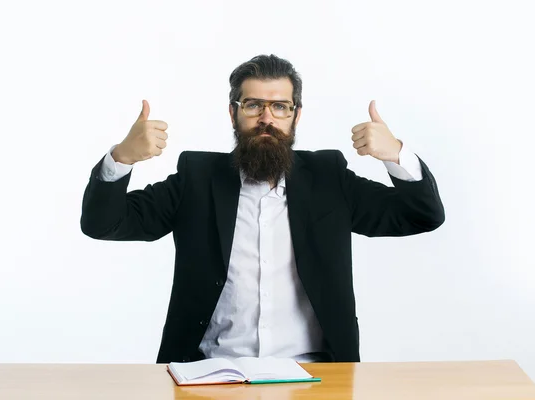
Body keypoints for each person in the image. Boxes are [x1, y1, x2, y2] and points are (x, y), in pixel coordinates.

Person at [80, 54, 445, 364]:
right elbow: (105, 223)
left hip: (314, 375)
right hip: (210, 373)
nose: (267, 118)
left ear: (295, 115)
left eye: (280, 107)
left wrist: (396, 154)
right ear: (233, 113)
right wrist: (122, 158)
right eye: (253, 105)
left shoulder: (329, 179)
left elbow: (421, 215)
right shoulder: (196, 179)